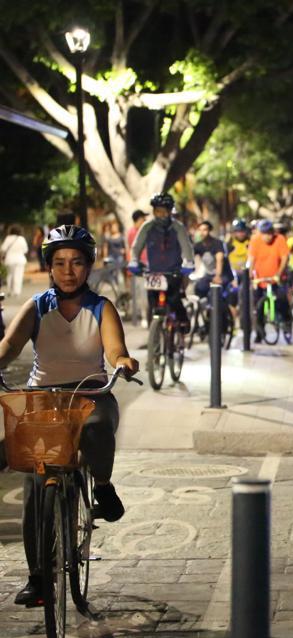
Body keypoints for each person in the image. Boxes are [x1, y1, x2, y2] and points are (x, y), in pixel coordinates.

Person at [0, 226, 139, 607]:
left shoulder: (101, 307)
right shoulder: (37, 306)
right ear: (49, 266)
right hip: (41, 397)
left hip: (89, 392)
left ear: (89, 265)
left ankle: (104, 486)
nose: (68, 271)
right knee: (31, 484)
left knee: (96, 430)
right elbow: (10, 345)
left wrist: (123, 362)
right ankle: (38, 578)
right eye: (59, 263)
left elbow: (115, 349)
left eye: (76, 262)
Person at [127, 193, 194, 329]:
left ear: (170, 211)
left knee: (174, 299)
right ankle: (155, 333)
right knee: (152, 302)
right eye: (157, 211)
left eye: (164, 211)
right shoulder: (147, 227)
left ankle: (183, 320)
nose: (161, 214)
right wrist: (134, 261)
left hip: (173, 271)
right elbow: (136, 247)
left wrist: (188, 263)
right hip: (153, 273)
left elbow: (186, 247)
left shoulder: (178, 227)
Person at [249, 219, 292, 339]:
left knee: (282, 300)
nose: (267, 237)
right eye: (264, 234)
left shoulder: (280, 239)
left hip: (276, 278)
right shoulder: (255, 240)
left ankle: (287, 323)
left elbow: (284, 258)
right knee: (257, 305)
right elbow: (251, 259)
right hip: (260, 279)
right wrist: (250, 275)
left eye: (269, 233)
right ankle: (259, 331)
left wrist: (278, 274)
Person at [193, 220, 232, 301]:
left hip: (223, 274)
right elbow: (189, 257)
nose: (202, 232)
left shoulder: (217, 243)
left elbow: (219, 260)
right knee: (199, 288)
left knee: (216, 295)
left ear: (209, 230)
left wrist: (218, 276)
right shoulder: (198, 245)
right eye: (200, 230)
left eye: (205, 230)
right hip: (209, 275)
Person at [1, 226, 30, 296]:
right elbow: (25, 250)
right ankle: (16, 291)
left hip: (9, 260)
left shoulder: (8, 238)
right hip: (20, 260)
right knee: (18, 275)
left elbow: (3, 249)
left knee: (9, 275)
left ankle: (9, 291)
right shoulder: (21, 239)